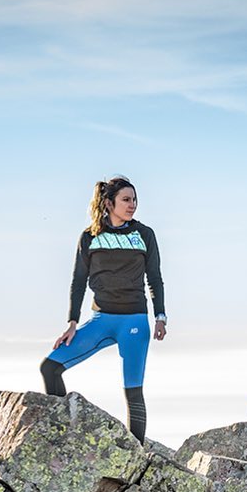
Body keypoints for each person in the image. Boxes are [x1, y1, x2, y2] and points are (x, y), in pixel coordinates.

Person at [39, 176, 166, 443]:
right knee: (50, 368)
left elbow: (154, 277)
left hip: (134, 321)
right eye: (126, 200)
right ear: (109, 203)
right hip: (101, 319)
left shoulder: (144, 235)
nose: (132, 205)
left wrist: (160, 316)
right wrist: (73, 322)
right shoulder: (90, 237)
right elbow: (78, 281)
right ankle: (64, 438)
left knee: (133, 390)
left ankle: (136, 458)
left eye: (134, 200)